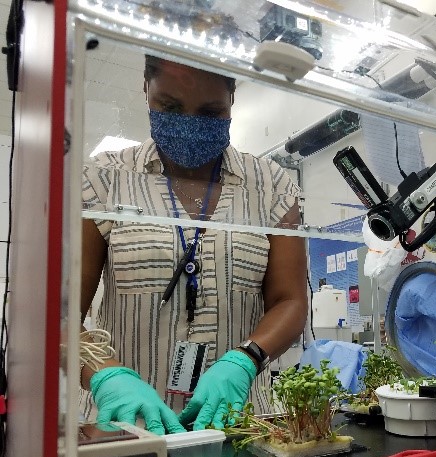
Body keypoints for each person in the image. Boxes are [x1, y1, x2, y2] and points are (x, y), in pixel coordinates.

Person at [80, 56, 308, 434]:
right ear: (145, 89)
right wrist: (104, 377)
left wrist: (246, 358)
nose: (189, 124)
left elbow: (290, 301)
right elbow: (58, 314)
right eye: (169, 107)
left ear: (232, 99)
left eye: (210, 111)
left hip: (239, 423)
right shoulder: (103, 179)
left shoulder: (273, 186)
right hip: (128, 425)